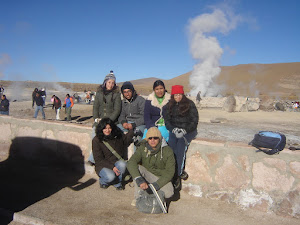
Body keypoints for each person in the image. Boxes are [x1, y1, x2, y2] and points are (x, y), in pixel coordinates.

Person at [162, 85, 198, 186]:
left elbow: (194, 121)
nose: (177, 97)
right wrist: (173, 129)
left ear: (182, 94)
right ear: (172, 96)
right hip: (175, 131)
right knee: (171, 148)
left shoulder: (190, 104)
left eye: (179, 95)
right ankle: (170, 172)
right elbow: (167, 121)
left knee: (181, 147)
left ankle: (178, 174)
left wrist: (185, 130)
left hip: (188, 131)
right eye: (175, 95)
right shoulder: (168, 106)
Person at [127, 127, 175, 202]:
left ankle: (151, 194)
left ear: (159, 139)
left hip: (160, 177)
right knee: (137, 168)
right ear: (147, 139)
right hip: (146, 174)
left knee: (169, 193)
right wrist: (138, 179)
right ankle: (138, 197)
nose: (152, 140)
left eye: (155, 138)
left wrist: (157, 185)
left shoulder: (167, 151)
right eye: (150, 138)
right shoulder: (142, 148)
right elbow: (131, 162)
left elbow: (170, 172)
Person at [88, 70, 122, 164]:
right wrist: (96, 119)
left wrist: (108, 122)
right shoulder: (99, 93)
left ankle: (93, 159)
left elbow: (117, 110)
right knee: (95, 136)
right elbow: (95, 107)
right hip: (99, 120)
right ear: (105, 82)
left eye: (113, 83)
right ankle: (95, 158)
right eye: (109, 82)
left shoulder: (116, 95)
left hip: (111, 122)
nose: (111, 85)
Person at [92, 118, 134, 190]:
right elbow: (98, 159)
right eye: (105, 128)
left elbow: (126, 141)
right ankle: (103, 182)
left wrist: (131, 130)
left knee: (123, 164)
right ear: (101, 129)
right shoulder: (96, 140)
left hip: (116, 162)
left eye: (109, 128)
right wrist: (112, 167)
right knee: (110, 177)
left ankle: (118, 183)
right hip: (103, 165)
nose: (107, 130)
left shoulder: (117, 136)